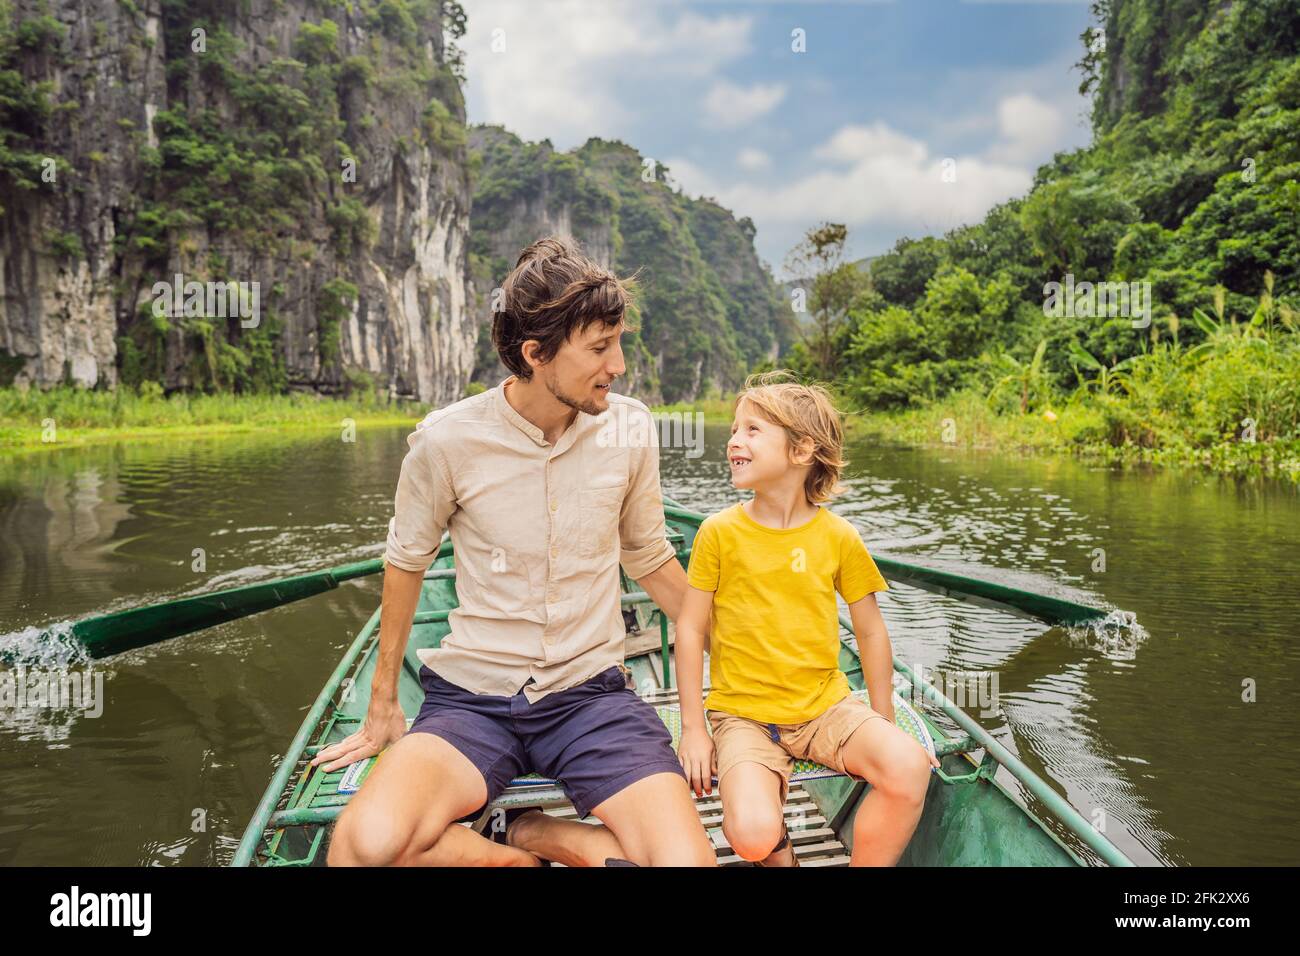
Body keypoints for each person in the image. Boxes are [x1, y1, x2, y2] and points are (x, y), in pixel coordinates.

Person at [315, 236, 716, 867]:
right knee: (360, 851)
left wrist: (749, 653)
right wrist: (385, 704)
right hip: (474, 699)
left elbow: (648, 555)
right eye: (600, 348)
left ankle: (541, 834)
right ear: (536, 354)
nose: (618, 365)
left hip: (593, 695)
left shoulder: (630, 427)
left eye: (618, 342)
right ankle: (514, 851)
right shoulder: (446, 442)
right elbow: (407, 561)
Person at [674, 371, 939, 867]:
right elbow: (689, 628)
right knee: (752, 835)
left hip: (826, 708)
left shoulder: (838, 536)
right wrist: (693, 727)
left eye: (752, 430)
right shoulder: (717, 533)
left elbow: (871, 630)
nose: (734, 440)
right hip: (744, 717)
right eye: (734, 429)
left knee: (906, 768)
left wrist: (884, 721)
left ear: (801, 452)